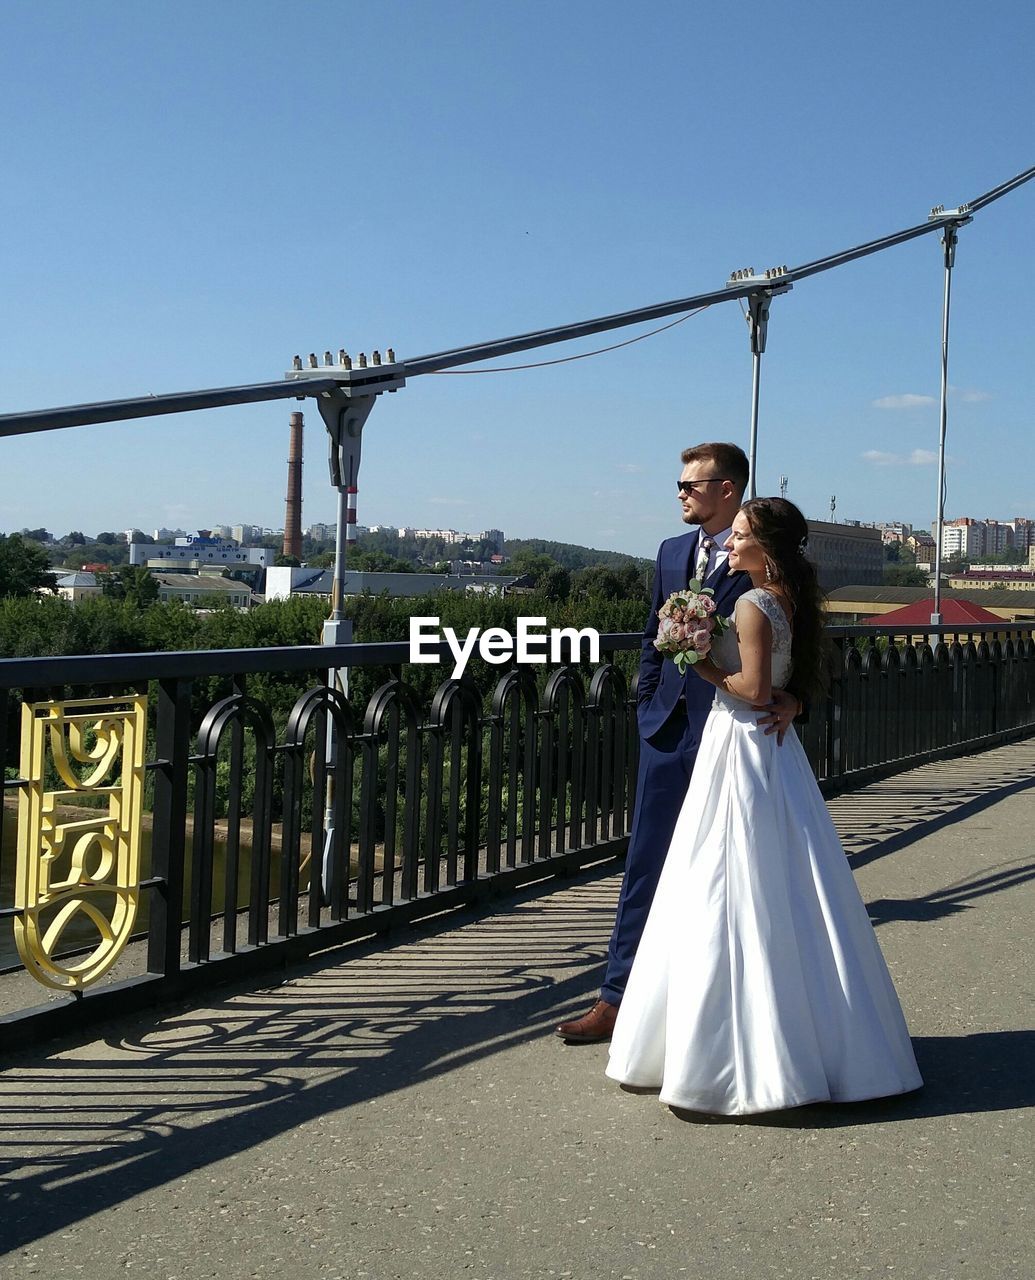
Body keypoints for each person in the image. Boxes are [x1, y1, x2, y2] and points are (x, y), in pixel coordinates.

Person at [605, 498, 923, 1114]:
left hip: (740, 740)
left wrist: (698, 663)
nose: (730, 545)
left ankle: (724, 1050)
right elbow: (787, 678)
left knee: (725, 875)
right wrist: (793, 701)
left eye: (741, 536)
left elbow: (751, 691)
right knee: (790, 878)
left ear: (766, 548)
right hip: (774, 750)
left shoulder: (751, 604)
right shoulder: (788, 600)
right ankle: (812, 1040)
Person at [556, 444, 800, 1043]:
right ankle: (618, 998)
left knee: (735, 870)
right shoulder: (670, 552)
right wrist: (646, 700)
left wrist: (797, 701)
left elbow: (805, 641)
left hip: (739, 734)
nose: (681, 493)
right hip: (668, 729)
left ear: (729, 489)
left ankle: (715, 1012)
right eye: (680, 485)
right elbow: (653, 634)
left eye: (692, 484)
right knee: (647, 862)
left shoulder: (763, 563)